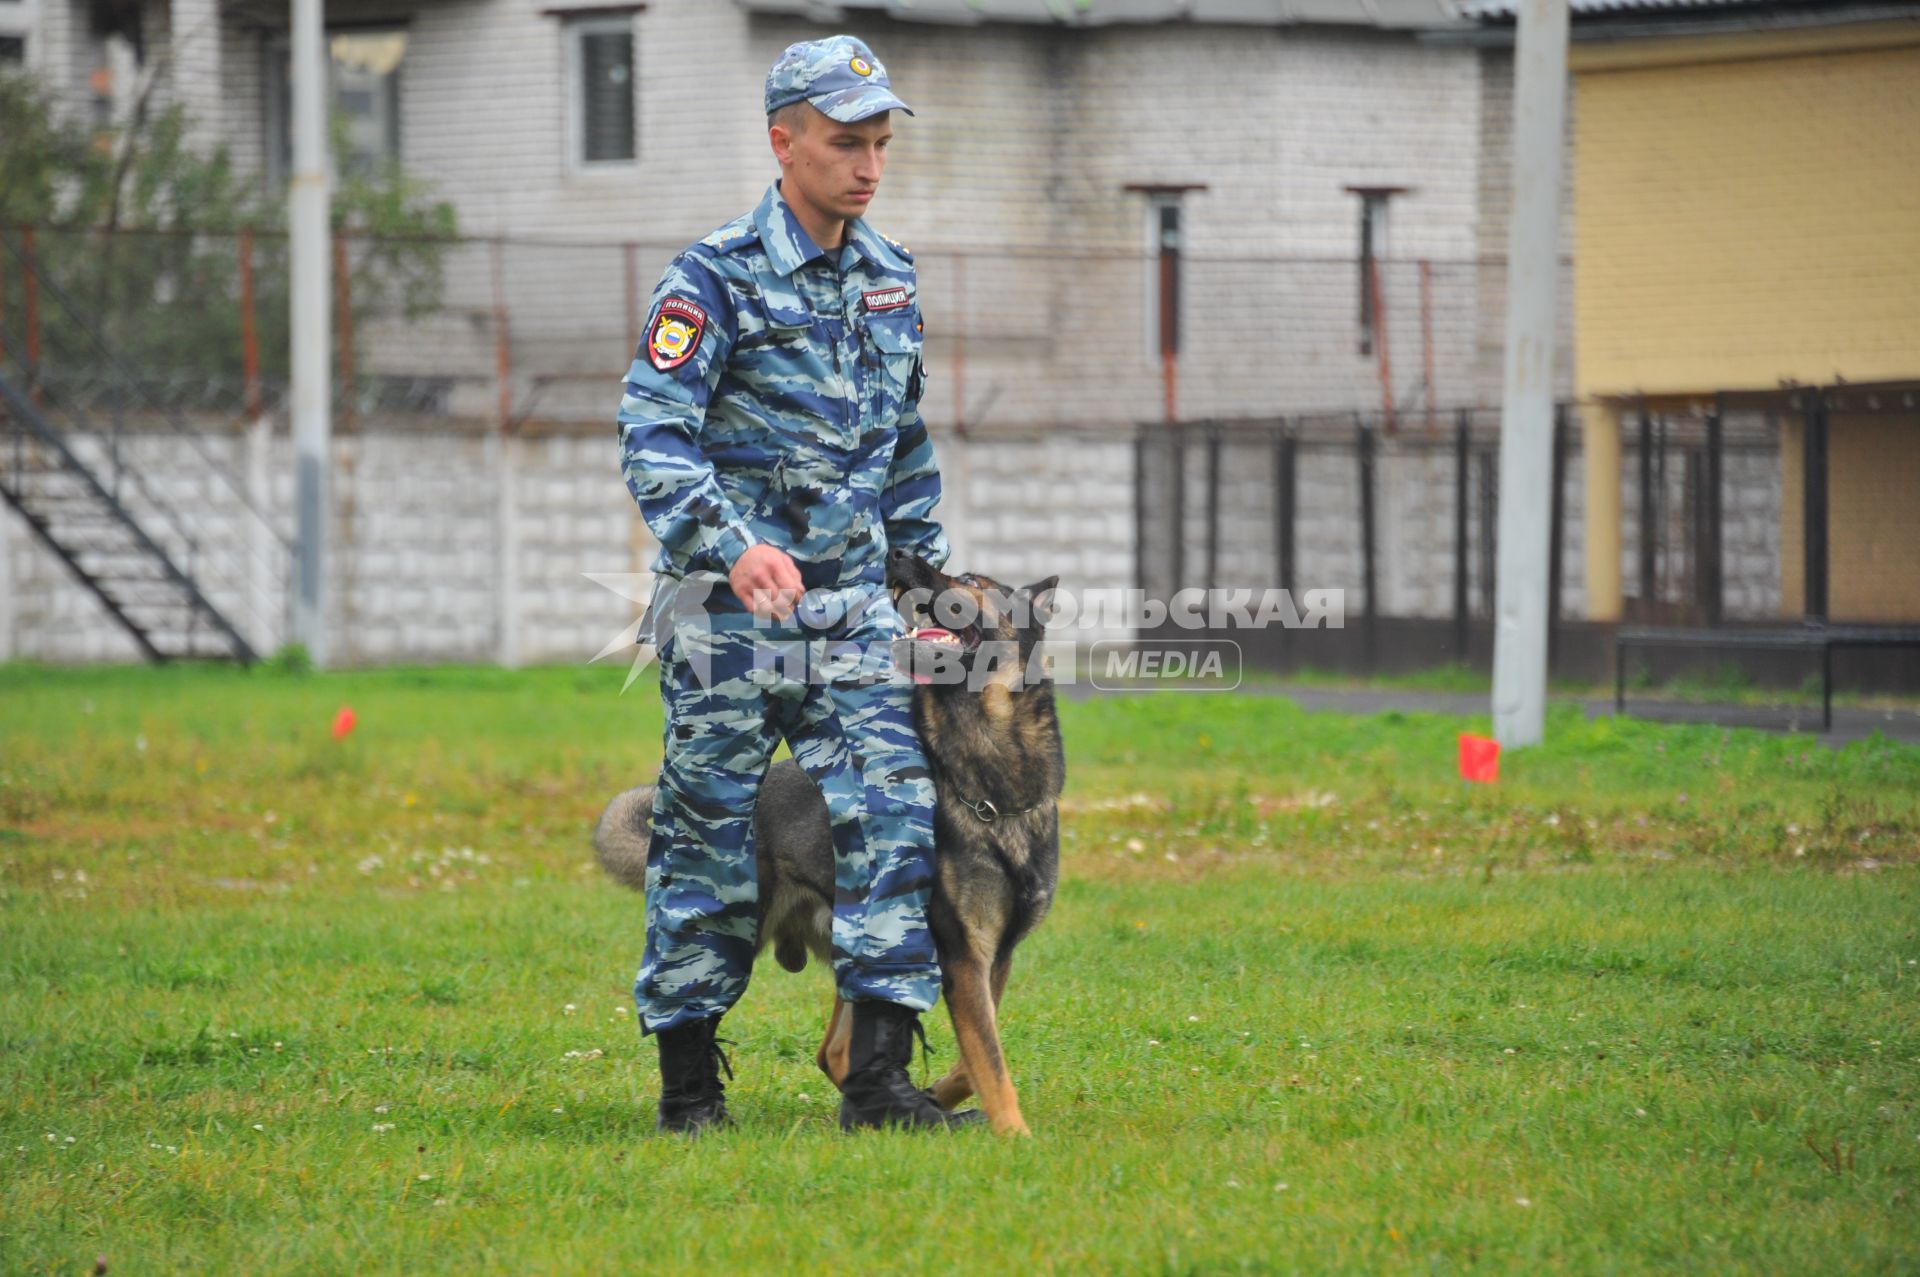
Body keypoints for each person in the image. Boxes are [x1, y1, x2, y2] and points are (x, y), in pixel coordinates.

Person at [615, 34, 965, 1134]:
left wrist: (927, 596)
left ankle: (878, 1083)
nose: (867, 165)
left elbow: (904, 449)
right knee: (708, 838)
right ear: (785, 142)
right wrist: (729, 542)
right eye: (844, 144)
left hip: (855, 611)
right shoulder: (712, 276)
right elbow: (654, 433)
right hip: (729, 621)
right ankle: (687, 1092)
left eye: (878, 144)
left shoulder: (891, 278)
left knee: (900, 810)